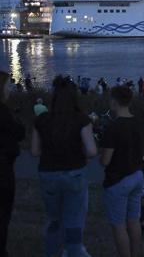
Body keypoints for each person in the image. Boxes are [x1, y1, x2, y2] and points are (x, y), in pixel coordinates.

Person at [31, 76, 98, 257]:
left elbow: (35, 151)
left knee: (54, 219)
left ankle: (52, 252)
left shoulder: (42, 120)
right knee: (74, 220)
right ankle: (74, 251)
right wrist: (81, 152)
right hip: (74, 173)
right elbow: (92, 151)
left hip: (48, 175)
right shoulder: (81, 120)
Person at [100, 85, 144, 257]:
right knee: (133, 220)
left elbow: (105, 161)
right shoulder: (139, 122)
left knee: (119, 225)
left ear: (114, 102)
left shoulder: (112, 128)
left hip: (117, 180)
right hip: (137, 176)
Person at [0, 71, 25, 257]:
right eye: (7, 86)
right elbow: (18, 132)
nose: (10, 89)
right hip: (3, 171)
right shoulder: (3, 111)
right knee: (3, 213)